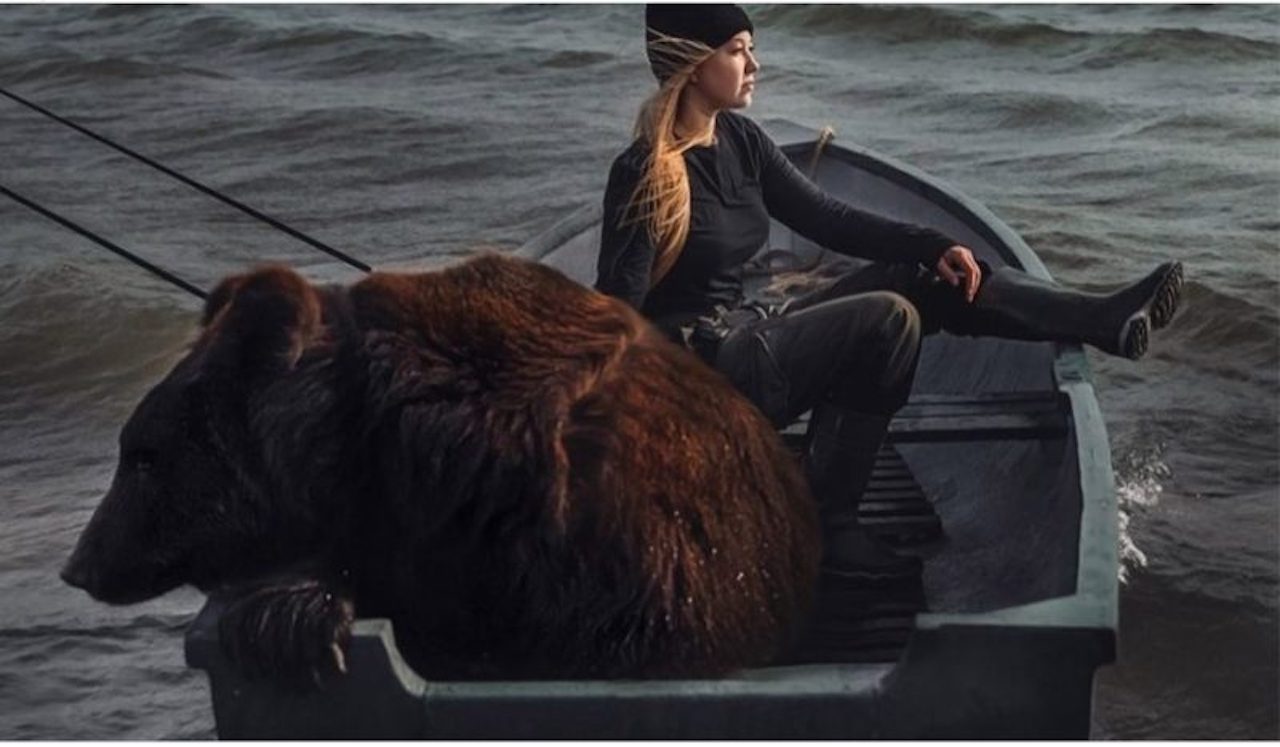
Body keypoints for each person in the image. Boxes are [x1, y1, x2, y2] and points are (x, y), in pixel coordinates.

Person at [594, 5, 1183, 580]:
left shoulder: (741, 141)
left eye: (751, 47)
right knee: (886, 319)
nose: (754, 64)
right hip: (702, 372)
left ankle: (1104, 319)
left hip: (752, 330)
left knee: (924, 282)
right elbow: (614, 310)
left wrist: (932, 245)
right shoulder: (645, 172)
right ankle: (830, 524)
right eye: (736, 50)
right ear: (696, 65)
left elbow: (829, 218)